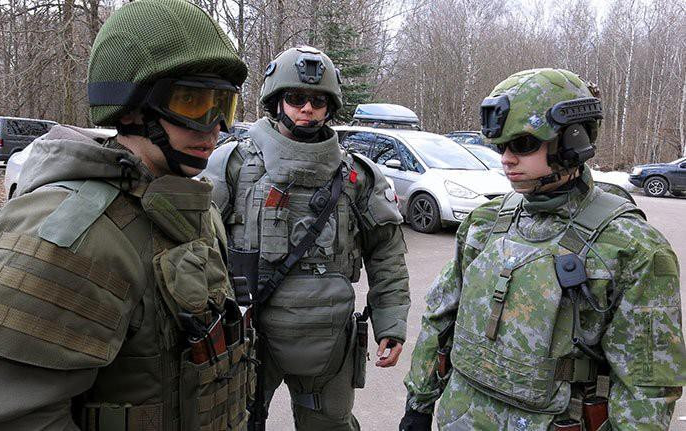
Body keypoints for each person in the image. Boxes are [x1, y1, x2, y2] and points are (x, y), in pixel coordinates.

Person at [0, 0, 251, 429]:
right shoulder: (69, 233)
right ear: (131, 108)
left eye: (224, 105)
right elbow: (12, 419)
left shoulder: (194, 210)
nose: (215, 125)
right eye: (192, 101)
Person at [399, 68, 686, 430]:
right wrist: (419, 404)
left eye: (523, 144)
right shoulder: (484, 223)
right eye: (501, 146)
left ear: (572, 141)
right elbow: (440, 318)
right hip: (461, 417)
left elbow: (646, 384)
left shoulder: (632, 248)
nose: (506, 159)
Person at [201, 46, 410, 430]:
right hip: (250, 332)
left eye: (318, 100)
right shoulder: (233, 165)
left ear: (330, 107)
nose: (307, 109)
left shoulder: (357, 176)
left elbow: (386, 253)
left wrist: (391, 323)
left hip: (328, 338)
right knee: (235, 422)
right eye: (296, 98)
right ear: (277, 102)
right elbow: (198, 247)